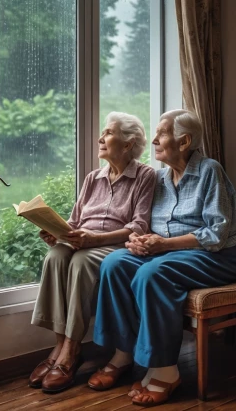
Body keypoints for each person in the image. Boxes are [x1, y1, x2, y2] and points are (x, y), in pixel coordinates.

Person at [88, 109, 236, 407]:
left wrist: (163, 245)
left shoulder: (209, 171)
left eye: (162, 134)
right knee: (115, 263)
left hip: (217, 256)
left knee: (152, 274)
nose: (155, 140)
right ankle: (123, 352)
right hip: (172, 254)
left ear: (184, 141)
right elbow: (146, 223)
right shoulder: (158, 178)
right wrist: (138, 239)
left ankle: (165, 370)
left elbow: (216, 234)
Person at [28, 111, 156, 393]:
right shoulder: (93, 178)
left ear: (127, 144)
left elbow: (138, 226)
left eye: (108, 133)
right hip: (83, 241)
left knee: (82, 262)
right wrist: (57, 234)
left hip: (114, 245)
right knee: (56, 256)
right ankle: (59, 345)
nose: (101, 138)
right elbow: (75, 222)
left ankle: (71, 351)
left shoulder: (145, 175)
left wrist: (94, 239)